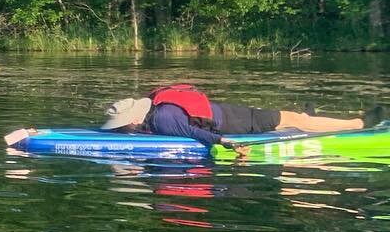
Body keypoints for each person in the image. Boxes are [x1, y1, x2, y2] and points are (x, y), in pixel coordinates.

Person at [102, 84, 384, 159]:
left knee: (293, 119)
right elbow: (190, 130)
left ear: (135, 120)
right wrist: (225, 141)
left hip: (234, 122)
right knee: (291, 119)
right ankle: (311, 120)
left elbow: (192, 132)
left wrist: (224, 141)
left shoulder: (161, 119)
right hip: (229, 117)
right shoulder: (158, 112)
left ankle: (359, 125)